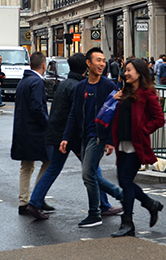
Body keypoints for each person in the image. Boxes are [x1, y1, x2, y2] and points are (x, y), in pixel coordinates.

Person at [26, 53, 122, 221]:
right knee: (92, 170)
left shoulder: (66, 84)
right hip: (71, 136)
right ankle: (105, 204)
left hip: (58, 133)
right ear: (86, 66)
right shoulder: (79, 86)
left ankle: (34, 202)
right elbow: (77, 116)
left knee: (54, 169)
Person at [60, 47, 124, 228]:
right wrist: (66, 137)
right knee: (91, 174)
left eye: (103, 60)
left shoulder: (109, 86)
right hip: (83, 137)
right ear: (88, 63)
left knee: (88, 173)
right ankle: (121, 196)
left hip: (98, 137)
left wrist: (111, 140)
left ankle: (94, 214)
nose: (102, 64)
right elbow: (73, 113)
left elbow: (114, 114)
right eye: (98, 60)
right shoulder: (80, 87)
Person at [107, 58, 166, 237]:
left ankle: (128, 223)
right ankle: (150, 204)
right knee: (126, 182)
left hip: (136, 145)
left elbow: (159, 119)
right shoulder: (123, 92)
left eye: (129, 70)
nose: (125, 73)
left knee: (125, 182)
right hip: (122, 143)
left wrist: (143, 130)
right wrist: (114, 99)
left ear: (139, 72)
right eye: (125, 70)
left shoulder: (148, 93)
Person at [12, 51, 50, 216]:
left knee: (26, 167)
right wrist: (48, 125)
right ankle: (36, 198)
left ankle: (24, 202)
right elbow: (37, 107)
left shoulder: (24, 81)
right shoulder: (37, 82)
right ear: (44, 65)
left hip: (22, 131)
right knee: (49, 161)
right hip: (35, 132)